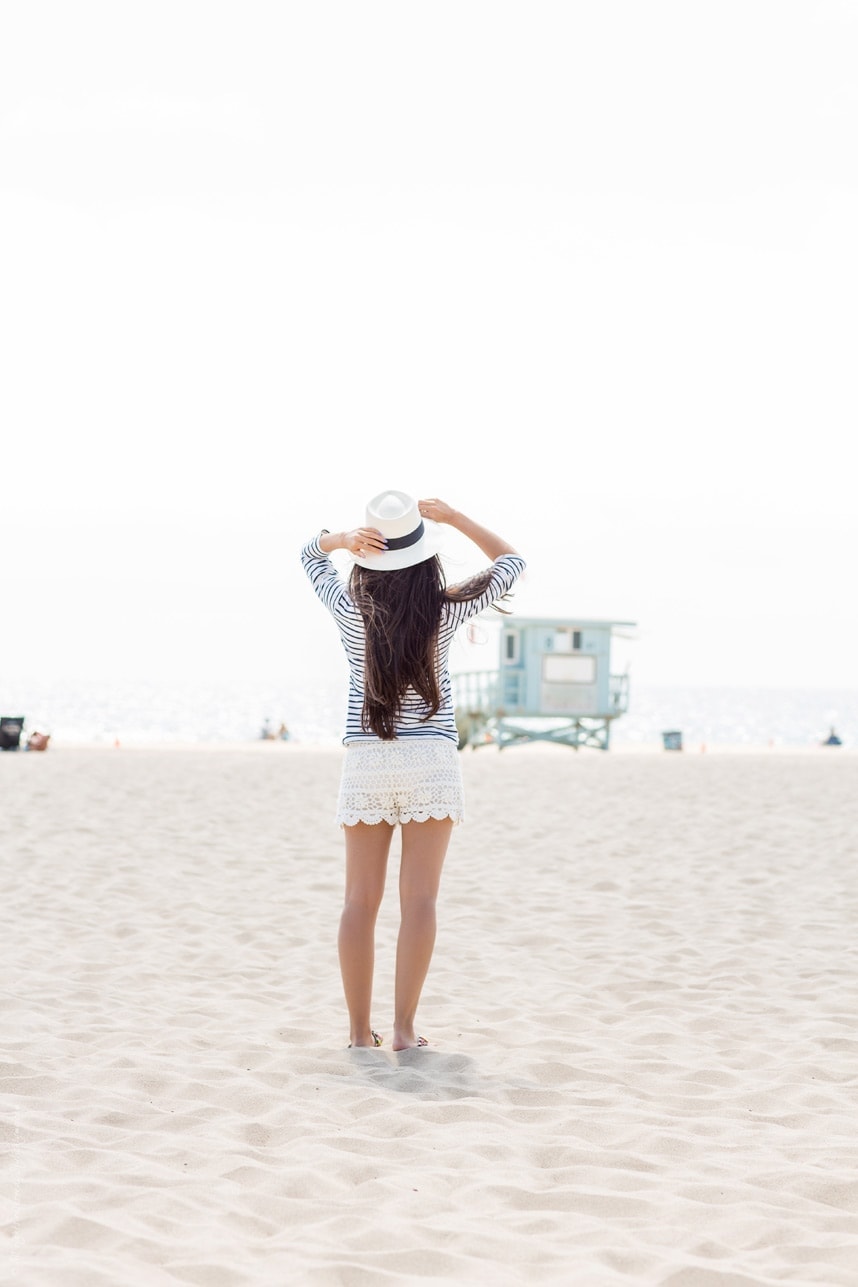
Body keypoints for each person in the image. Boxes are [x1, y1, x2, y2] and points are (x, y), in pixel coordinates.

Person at [301, 490, 525, 1050]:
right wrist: (452, 517)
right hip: (430, 760)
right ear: (424, 556)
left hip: (368, 760)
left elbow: (308, 554)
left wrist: (342, 540)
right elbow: (512, 562)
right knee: (419, 899)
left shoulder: (352, 610)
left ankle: (358, 1033)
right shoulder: (446, 610)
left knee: (359, 900)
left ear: (368, 555)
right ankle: (402, 1030)